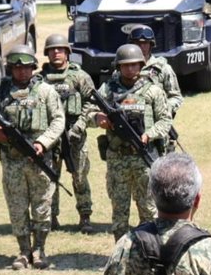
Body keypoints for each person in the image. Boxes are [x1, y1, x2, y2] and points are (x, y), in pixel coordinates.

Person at [0, 45, 64, 269]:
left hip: (39, 160)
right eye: (17, 68)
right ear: (10, 68)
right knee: (17, 207)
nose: (22, 72)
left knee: (42, 205)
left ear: (33, 68)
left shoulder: (46, 91)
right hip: (12, 161)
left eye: (26, 68)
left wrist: (43, 142)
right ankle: (23, 250)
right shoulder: (0, 91)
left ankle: (39, 249)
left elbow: (58, 120)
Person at [93, 43, 172, 241]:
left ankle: (150, 247)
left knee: (148, 208)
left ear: (141, 65)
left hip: (144, 158)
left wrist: (149, 134)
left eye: (134, 65)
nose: (130, 69)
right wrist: (97, 118)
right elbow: (89, 110)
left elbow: (165, 120)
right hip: (117, 159)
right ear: (118, 66)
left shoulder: (152, 90)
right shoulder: (108, 89)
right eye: (125, 65)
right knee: (119, 209)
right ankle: (121, 249)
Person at [42, 33, 96, 233]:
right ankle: (51, 217)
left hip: (75, 135)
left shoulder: (79, 76)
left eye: (60, 49)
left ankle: (85, 216)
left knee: (79, 176)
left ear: (67, 52)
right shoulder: (40, 79)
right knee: (50, 177)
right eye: (52, 50)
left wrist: (79, 126)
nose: (56, 53)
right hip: (51, 137)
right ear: (47, 53)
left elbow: (92, 102)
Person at [130, 25, 184, 117]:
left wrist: (165, 109)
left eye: (145, 43)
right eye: (138, 43)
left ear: (151, 44)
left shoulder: (163, 68)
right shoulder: (123, 69)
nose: (142, 46)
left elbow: (176, 96)